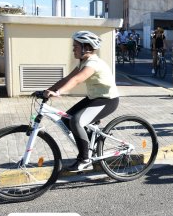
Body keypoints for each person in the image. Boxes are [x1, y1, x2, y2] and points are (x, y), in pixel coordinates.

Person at [44, 31, 119, 173]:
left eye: (76, 46)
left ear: (86, 47)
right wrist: (47, 90)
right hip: (94, 98)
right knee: (66, 119)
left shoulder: (93, 63)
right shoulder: (83, 62)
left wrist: (58, 92)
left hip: (108, 100)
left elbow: (77, 80)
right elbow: (67, 79)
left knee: (76, 121)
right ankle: (91, 144)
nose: (73, 49)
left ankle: (84, 159)